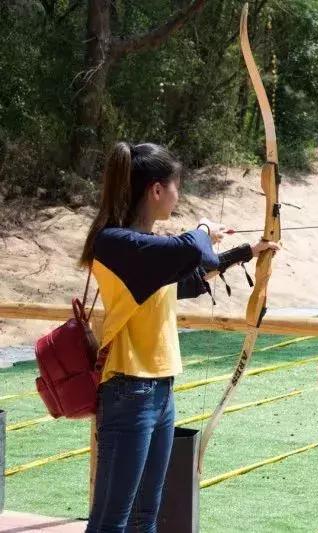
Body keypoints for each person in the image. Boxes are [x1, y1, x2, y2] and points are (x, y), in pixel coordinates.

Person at [79, 142, 278, 533]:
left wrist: (246, 252)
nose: (178, 194)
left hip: (159, 390)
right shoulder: (116, 242)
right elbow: (189, 249)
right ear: (156, 190)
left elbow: (188, 276)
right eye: (175, 186)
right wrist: (203, 230)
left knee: (145, 517)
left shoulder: (146, 250)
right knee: (111, 521)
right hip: (129, 389)